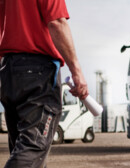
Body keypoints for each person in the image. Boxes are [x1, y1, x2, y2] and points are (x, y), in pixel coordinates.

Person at [0, 0, 88, 167]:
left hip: (9, 71)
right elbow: (56, 22)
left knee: (28, 152)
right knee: (32, 148)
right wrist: (76, 71)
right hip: (38, 72)